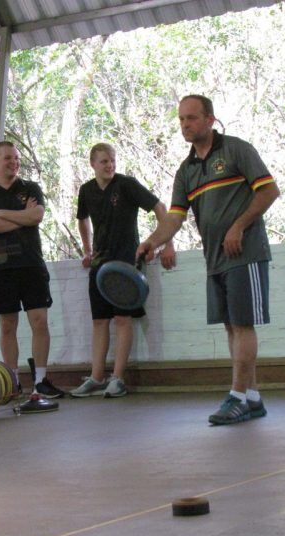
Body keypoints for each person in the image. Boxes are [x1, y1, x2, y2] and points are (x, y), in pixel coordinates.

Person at [138, 95, 280, 425]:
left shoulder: (236, 150)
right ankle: (253, 397)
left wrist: (239, 226)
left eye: (191, 118)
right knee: (231, 326)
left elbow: (269, 191)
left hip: (245, 254)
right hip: (214, 259)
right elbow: (174, 218)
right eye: (181, 120)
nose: (185, 125)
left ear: (210, 120)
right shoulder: (186, 171)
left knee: (243, 325)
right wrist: (151, 241)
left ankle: (238, 396)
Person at [70, 143, 176, 398]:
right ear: (93, 164)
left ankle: (117, 378)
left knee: (122, 319)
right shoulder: (86, 190)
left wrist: (167, 242)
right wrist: (87, 250)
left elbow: (160, 207)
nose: (110, 165)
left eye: (112, 161)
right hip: (100, 263)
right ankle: (96, 377)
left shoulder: (126, 184)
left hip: (127, 261)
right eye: (104, 161)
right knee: (99, 321)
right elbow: (82, 219)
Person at [0, 141, 64, 413]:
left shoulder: (30, 189)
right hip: (1, 268)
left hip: (31, 264)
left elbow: (37, 216)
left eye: (16, 158)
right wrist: (21, 217)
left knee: (39, 321)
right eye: (8, 158)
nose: (13, 163)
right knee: (7, 325)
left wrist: (5, 215)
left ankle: (40, 381)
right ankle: (12, 380)